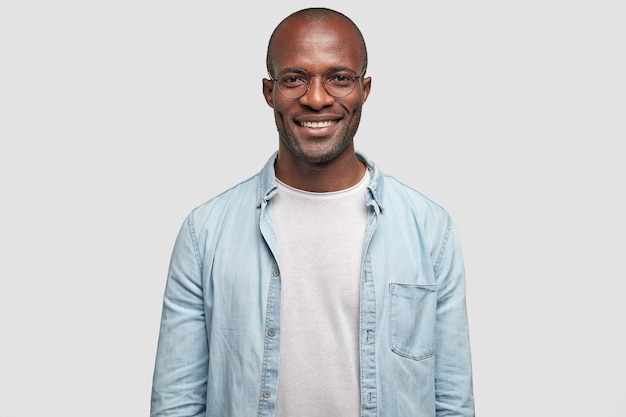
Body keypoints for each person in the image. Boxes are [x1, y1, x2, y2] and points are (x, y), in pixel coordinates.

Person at [150, 7, 474, 417]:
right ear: (269, 92)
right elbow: (176, 404)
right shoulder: (205, 233)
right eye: (294, 79)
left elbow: (452, 402)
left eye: (339, 78)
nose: (317, 98)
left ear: (365, 89)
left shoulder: (430, 229)